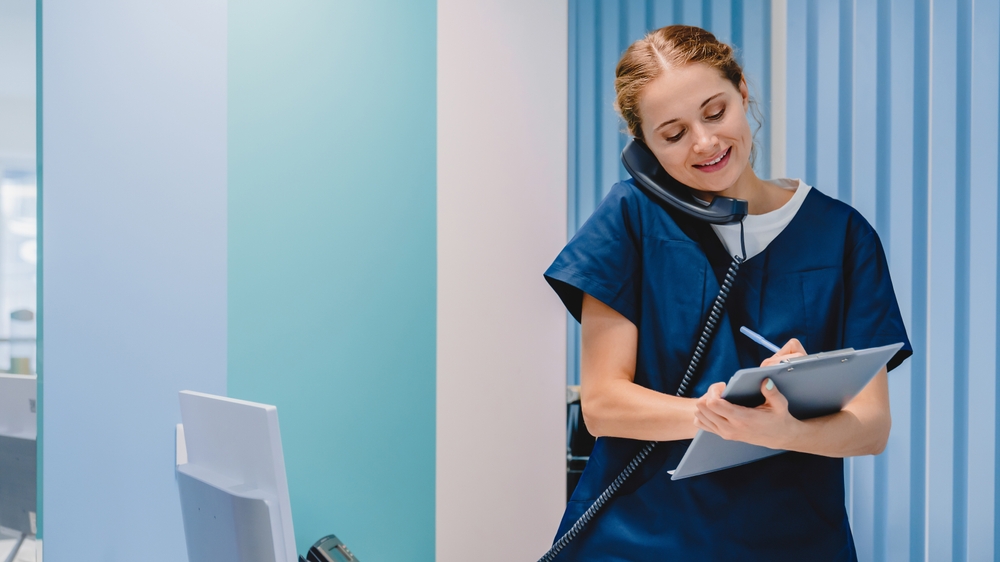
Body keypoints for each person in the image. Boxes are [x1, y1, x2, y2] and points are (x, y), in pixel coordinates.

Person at [543, 25, 912, 560]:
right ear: (643, 149)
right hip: (638, 539)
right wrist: (718, 414)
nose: (706, 143)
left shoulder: (842, 234)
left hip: (792, 540)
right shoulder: (629, 219)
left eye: (715, 112)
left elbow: (870, 427)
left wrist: (783, 427)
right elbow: (603, 403)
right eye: (672, 135)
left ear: (742, 92)